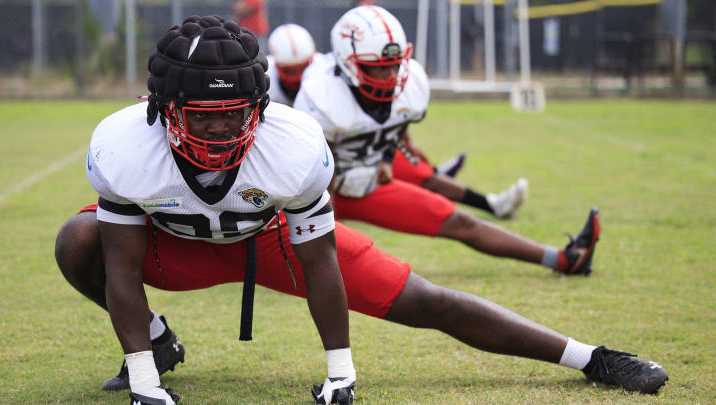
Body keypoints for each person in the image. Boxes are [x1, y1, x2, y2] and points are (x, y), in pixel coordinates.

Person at [54, 15, 668, 405]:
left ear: (260, 104)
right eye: (204, 113)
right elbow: (119, 263)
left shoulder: (291, 144)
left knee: (427, 300)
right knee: (77, 240)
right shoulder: (126, 146)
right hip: (176, 244)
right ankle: (159, 347)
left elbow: (320, 263)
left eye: (238, 110)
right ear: (161, 107)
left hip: (273, 238)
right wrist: (144, 382)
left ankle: (592, 357)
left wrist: (341, 373)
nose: (223, 125)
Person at [293, 6, 594, 276]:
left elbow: (398, 124)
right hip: (317, 191)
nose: (391, 74)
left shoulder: (410, 87)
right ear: (348, 64)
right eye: (379, 66)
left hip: (365, 184)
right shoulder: (321, 96)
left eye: (396, 63)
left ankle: (564, 259)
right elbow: (316, 176)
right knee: (323, 255)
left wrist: (386, 159)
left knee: (461, 223)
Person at [267, 23, 527, 219]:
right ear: (276, 64)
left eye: (304, 66)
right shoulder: (266, 82)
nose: (298, 76)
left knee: (422, 173)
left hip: (358, 147)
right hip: (313, 159)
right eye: (290, 71)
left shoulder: (323, 73)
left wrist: (402, 143)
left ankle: (491, 203)